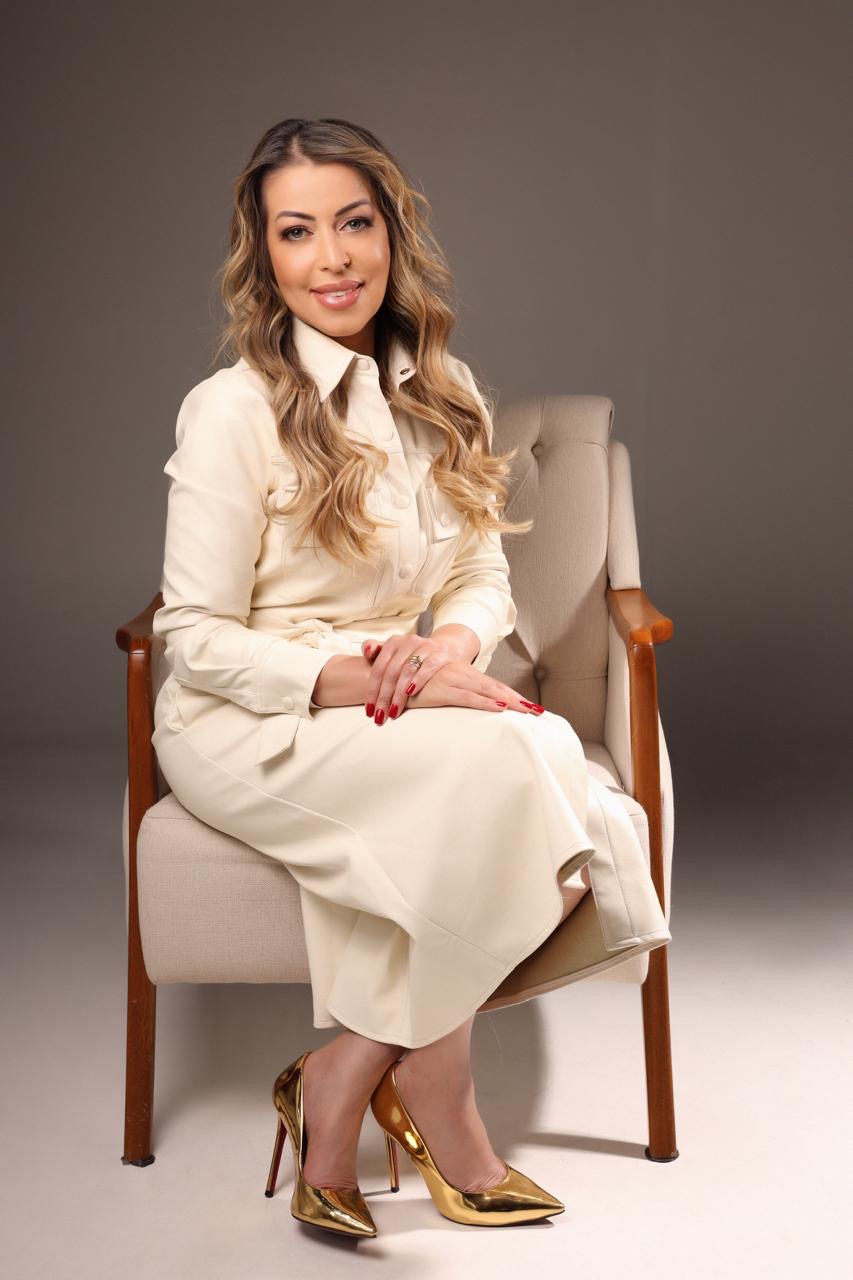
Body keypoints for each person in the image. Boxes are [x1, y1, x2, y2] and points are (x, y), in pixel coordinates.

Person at [150, 116, 671, 1236]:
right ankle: (439, 1100)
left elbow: (480, 572)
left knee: (528, 755)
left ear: (391, 232)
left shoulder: (442, 388)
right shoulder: (232, 408)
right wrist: (370, 679)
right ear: (263, 254)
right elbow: (193, 638)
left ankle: (342, 1076)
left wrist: (453, 647)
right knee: (534, 768)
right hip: (250, 714)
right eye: (297, 232)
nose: (332, 257)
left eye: (354, 222)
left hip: (395, 693)